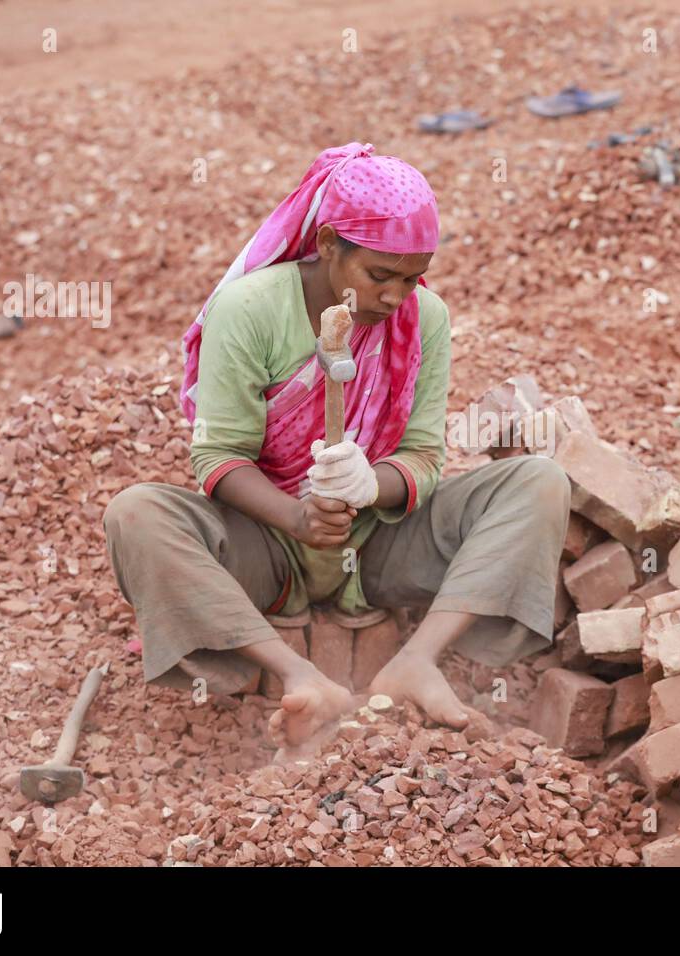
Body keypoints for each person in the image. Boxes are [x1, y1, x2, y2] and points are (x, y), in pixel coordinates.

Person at [103, 142, 569, 751]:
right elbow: (218, 458)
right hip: (264, 544)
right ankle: (298, 674)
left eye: (412, 277)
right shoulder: (250, 310)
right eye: (379, 275)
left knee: (539, 483)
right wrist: (297, 515)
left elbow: (426, 455)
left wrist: (370, 484)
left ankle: (417, 661)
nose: (396, 297)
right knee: (135, 514)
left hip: (380, 542)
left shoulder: (423, 316)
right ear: (327, 244)